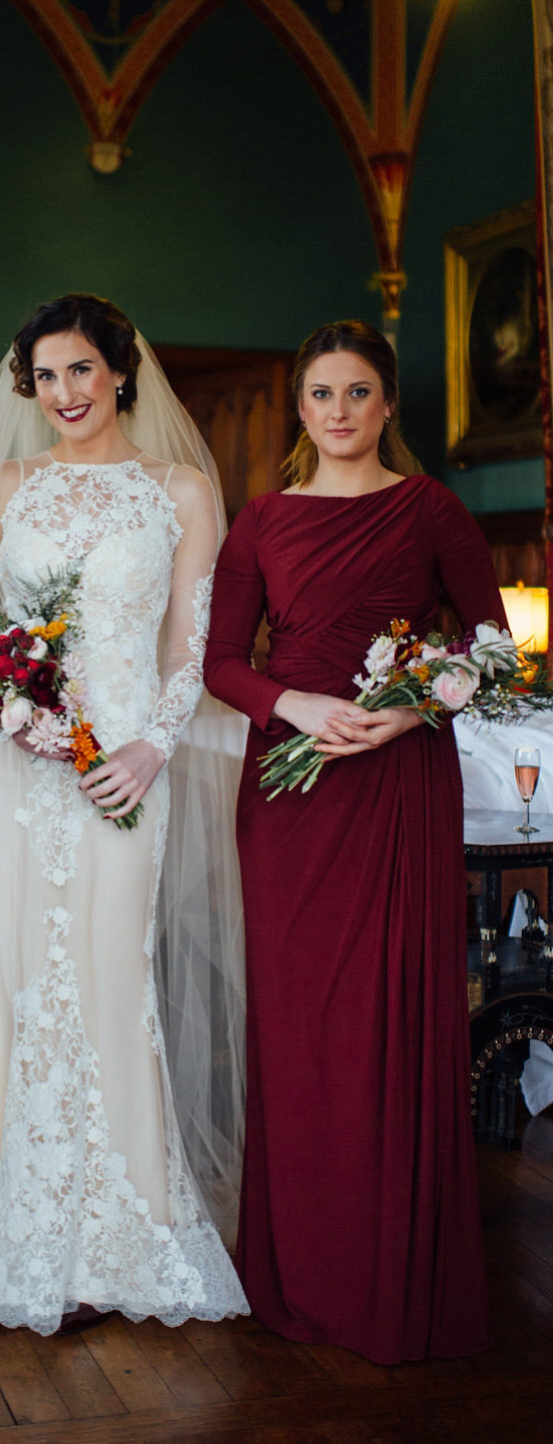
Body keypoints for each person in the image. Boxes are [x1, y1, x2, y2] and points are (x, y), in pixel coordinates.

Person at [0, 293, 248, 1334]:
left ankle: (124, 1226)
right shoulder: (4, 484)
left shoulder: (180, 490)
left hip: (125, 767)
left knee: (110, 970)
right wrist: (8, 708)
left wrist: (151, 744)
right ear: (26, 388)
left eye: (82, 370)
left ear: (122, 372)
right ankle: (8, 1216)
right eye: (45, 376)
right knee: (13, 972)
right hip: (15, 768)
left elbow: (191, 646)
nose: (66, 394)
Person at [203, 319, 504, 1364]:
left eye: (358, 392)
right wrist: (292, 704)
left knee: (389, 1017)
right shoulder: (263, 519)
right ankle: (301, 1274)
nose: (338, 412)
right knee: (300, 1027)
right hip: (291, 795)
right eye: (321, 394)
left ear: (387, 406)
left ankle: (393, 1274)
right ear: (300, 408)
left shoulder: (432, 508)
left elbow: (491, 645)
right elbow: (219, 665)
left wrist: (415, 711)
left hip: (397, 784)